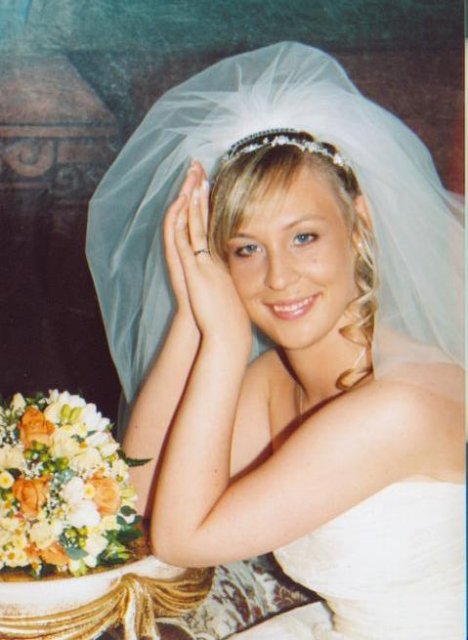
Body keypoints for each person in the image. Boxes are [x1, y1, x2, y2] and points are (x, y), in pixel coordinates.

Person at [86, 43, 465, 639]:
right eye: (246, 249)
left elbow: (182, 541)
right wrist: (192, 316)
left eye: (304, 237)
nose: (279, 277)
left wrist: (224, 341)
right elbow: (136, 499)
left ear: (359, 224)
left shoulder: (403, 405)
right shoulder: (274, 384)